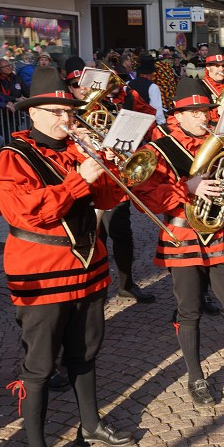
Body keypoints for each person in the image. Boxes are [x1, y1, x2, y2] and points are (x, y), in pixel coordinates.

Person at [0, 67, 135, 447]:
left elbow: (108, 200)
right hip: (42, 271)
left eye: (68, 112)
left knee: (85, 353)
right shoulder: (11, 157)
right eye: (55, 112)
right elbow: (26, 212)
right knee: (38, 367)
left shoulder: (77, 150)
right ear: (32, 113)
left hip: (88, 267)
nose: (65, 120)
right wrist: (78, 180)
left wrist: (110, 168)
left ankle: (90, 424)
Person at [131, 76, 224, 405]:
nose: (203, 116)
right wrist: (188, 188)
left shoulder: (221, 142)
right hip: (182, 235)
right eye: (194, 112)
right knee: (189, 311)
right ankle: (196, 377)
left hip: (220, 233)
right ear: (176, 116)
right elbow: (144, 198)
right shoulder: (158, 149)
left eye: (205, 111)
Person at [63, 59, 154, 304]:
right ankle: (93, 287)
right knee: (93, 235)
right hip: (84, 181)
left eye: (84, 84)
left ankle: (126, 283)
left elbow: (129, 134)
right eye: (75, 85)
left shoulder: (107, 109)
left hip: (112, 179)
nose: (82, 89)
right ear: (69, 87)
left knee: (122, 233)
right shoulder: (66, 114)